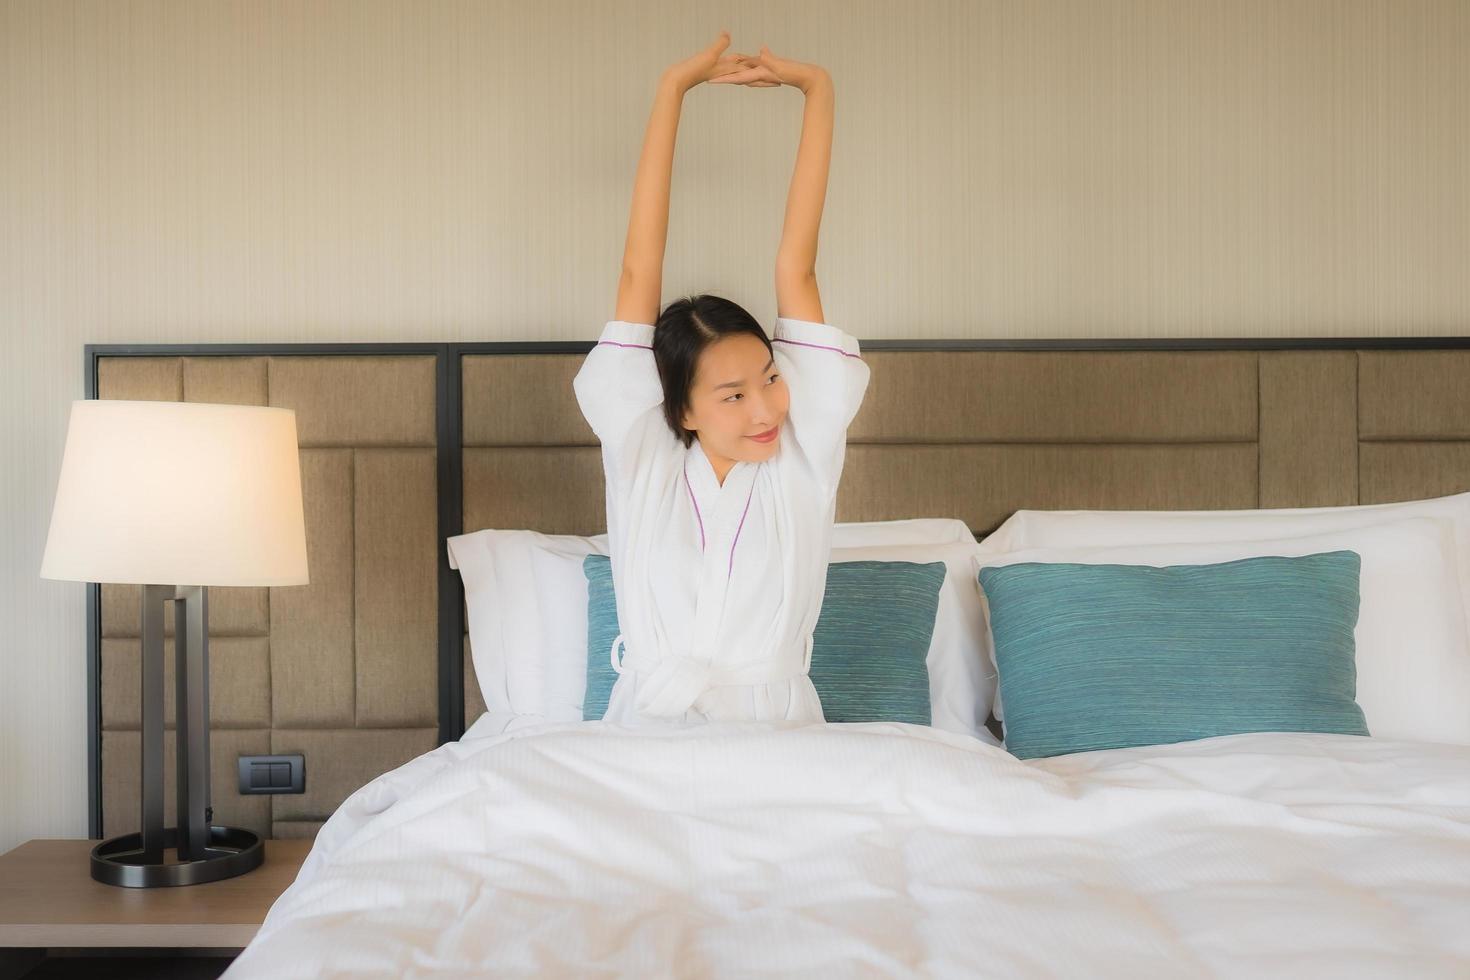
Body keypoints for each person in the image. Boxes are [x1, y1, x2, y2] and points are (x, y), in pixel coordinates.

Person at [573, 30, 870, 725]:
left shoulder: (803, 451)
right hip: (649, 732)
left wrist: (817, 90)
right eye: (733, 396)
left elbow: (797, 267)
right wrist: (673, 89)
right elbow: (636, 273)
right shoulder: (643, 452)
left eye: (769, 378)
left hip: (780, 736)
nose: (765, 407)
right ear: (682, 411)